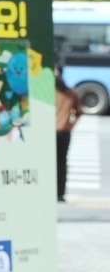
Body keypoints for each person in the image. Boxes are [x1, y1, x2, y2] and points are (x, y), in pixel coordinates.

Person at [55, 69, 82, 201]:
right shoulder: (71, 93)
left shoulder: (49, 92)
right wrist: (71, 125)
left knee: (54, 162)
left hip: (53, 132)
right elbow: (79, 112)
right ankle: (60, 193)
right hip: (64, 131)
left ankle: (56, 191)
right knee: (62, 162)